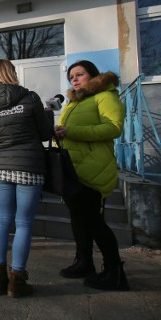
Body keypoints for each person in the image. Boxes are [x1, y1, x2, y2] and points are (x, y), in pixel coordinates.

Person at [0, 59, 52, 298]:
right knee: (24, 223)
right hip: (29, 165)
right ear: (10, 73)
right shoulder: (30, 97)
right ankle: (17, 281)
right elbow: (44, 133)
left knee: (2, 219)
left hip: (1, 167)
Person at [55, 60, 129, 291]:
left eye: (80, 74)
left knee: (94, 222)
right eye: (71, 77)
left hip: (94, 170)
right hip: (74, 170)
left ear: (93, 75)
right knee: (78, 219)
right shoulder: (74, 102)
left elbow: (113, 128)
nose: (74, 79)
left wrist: (70, 131)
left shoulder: (105, 96)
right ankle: (84, 262)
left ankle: (114, 272)